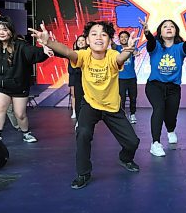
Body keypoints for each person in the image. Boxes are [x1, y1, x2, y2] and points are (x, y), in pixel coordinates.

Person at [29, 20, 141, 189]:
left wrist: (128, 50)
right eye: (94, 34)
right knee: (82, 133)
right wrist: (48, 41)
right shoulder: (83, 55)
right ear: (87, 40)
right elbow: (67, 52)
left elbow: (120, 58)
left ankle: (125, 158)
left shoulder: (111, 55)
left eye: (104, 34)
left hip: (112, 107)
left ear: (110, 41)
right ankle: (83, 173)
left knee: (133, 142)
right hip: (90, 104)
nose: (99, 37)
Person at [139, 17, 186, 157]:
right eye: (165, 26)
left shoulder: (179, 49)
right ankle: (155, 143)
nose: (168, 28)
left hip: (173, 88)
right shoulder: (155, 46)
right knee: (159, 109)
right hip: (154, 85)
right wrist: (147, 33)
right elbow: (151, 43)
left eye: (172, 26)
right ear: (160, 31)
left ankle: (171, 130)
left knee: (171, 115)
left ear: (176, 31)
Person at [114, 30, 139, 124]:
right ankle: (122, 114)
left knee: (133, 97)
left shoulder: (132, 47)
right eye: (121, 37)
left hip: (132, 77)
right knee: (122, 98)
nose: (123, 38)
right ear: (119, 39)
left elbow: (135, 52)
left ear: (129, 39)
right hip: (120, 78)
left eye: (125, 37)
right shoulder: (116, 48)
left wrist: (132, 47)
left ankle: (132, 114)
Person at [70, 35, 88, 129]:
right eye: (79, 40)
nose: (81, 42)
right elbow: (71, 69)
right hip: (78, 79)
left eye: (83, 40)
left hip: (89, 80)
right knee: (78, 101)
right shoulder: (74, 53)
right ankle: (79, 121)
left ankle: (87, 121)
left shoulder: (90, 52)